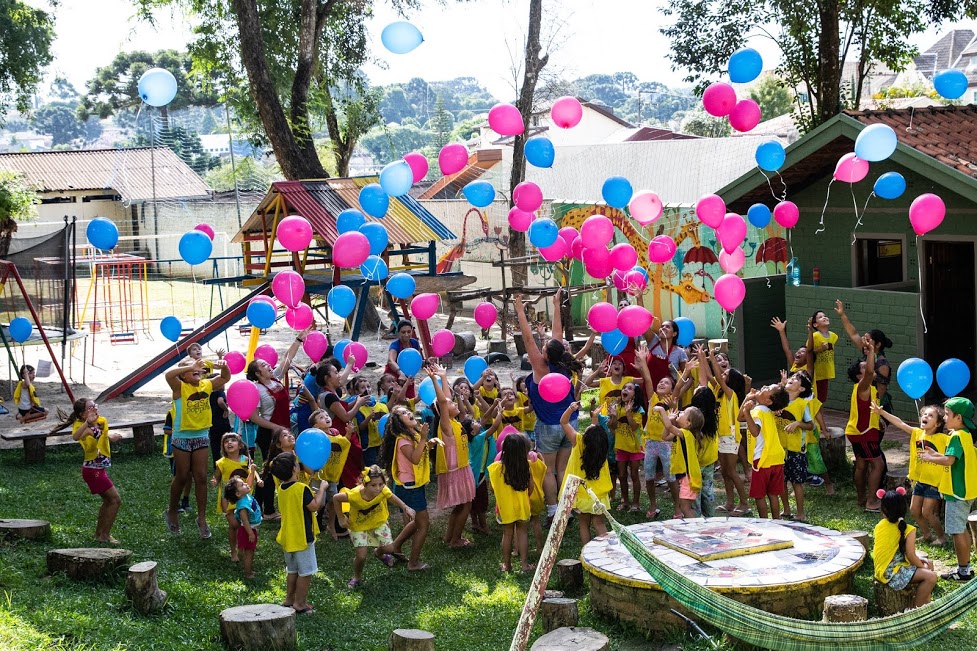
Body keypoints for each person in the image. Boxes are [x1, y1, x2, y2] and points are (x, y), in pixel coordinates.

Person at [514, 293, 583, 526]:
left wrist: (521, 311)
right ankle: (568, 510)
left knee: (550, 470)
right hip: (570, 422)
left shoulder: (540, 366)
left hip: (549, 427)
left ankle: (554, 511)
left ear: (545, 353)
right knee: (563, 469)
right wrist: (555, 305)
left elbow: (527, 339)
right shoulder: (563, 361)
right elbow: (557, 336)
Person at [247, 327, 312, 521]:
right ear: (257, 374)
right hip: (269, 434)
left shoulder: (274, 378)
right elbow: (254, 417)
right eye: (264, 366)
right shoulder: (256, 389)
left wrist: (298, 340)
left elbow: (287, 359)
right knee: (269, 471)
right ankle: (265, 510)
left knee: (277, 468)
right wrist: (276, 428)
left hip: (283, 431)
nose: (269, 366)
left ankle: (263, 507)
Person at [164, 357, 231, 537]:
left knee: (201, 477)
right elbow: (168, 375)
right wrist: (189, 366)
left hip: (201, 435)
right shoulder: (179, 388)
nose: (198, 371)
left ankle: (201, 518)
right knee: (183, 475)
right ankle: (172, 511)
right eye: (192, 370)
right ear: (183, 375)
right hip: (182, 437)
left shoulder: (206, 386)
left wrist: (223, 366)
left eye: (199, 370)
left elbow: (225, 378)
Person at [919, 397, 977, 582]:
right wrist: (936, 454)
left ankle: (962, 571)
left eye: (948, 414)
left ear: (958, 417)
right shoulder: (965, 434)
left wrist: (930, 459)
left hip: (957, 493)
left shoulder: (955, 436)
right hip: (967, 491)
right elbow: (954, 457)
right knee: (962, 529)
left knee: (957, 531)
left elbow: (949, 460)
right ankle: (965, 567)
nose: (944, 417)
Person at [873, 403, 947, 545]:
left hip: (934, 482)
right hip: (919, 480)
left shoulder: (944, 439)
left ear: (938, 423)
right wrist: (881, 412)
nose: (925, 416)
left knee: (928, 513)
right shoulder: (917, 433)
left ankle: (941, 537)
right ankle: (926, 535)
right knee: (914, 510)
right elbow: (899, 423)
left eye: (930, 415)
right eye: (924, 414)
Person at [334, 465, 415, 589]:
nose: (378, 488)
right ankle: (357, 577)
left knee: (390, 549)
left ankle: (379, 553)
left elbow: (392, 497)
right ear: (364, 484)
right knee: (361, 556)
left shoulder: (383, 490)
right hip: (358, 525)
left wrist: (405, 508)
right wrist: (340, 517)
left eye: (381, 484)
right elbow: (336, 498)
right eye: (373, 485)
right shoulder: (354, 495)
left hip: (378, 522)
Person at [381, 405, 441, 571]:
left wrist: (428, 443)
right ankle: (413, 563)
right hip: (409, 487)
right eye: (403, 414)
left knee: (417, 522)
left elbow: (419, 452)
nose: (408, 413)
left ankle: (394, 547)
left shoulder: (411, 435)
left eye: (408, 411)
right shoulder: (403, 440)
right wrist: (423, 439)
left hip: (413, 485)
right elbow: (414, 459)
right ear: (399, 423)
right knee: (423, 524)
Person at [270, 452, 327, 614]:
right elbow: (315, 506)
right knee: (306, 572)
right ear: (295, 469)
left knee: (292, 570)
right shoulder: (302, 488)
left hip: (288, 536)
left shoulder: (281, 488)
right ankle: (300, 604)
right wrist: (322, 489)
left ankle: (289, 599)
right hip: (302, 536)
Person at [428, 364, 476, 549]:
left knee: (461, 505)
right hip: (455, 469)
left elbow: (445, 400)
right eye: (450, 404)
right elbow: (443, 402)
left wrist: (443, 376)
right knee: (465, 505)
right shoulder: (445, 425)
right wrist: (435, 380)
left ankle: (450, 538)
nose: (453, 402)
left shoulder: (454, 422)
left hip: (460, 467)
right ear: (443, 412)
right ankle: (456, 540)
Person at [634, 346, 681, 520]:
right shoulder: (653, 398)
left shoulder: (672, 401)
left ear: (672, 389)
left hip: (666, 444)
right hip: (651, 443)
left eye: (666, 382)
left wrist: (685, 374)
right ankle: (653, 505)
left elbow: (679, 386)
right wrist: (643, 359)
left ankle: (677, 507)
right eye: (660, 382)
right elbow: (647, 379)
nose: (661, 383)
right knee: (649, 476)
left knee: (670, 477)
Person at [68, 398, 122, 544]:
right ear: (82, 414)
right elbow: (75, 437)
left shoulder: (101, 421)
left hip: (99, 468)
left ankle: (100, 534)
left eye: (94, 406)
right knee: (115, 500)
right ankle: (104, 536)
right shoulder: (81, 426)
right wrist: (87, 422)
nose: (95, 409)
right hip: (92, 470)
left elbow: (100, 435)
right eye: (90, 408)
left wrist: (110, 437)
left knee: (108, 500)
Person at [873, 487, 938, 607]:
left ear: (883, 509)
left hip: (883, 569)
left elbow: (899, 552)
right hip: (891, 573)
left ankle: (926, 602)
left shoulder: (880, 525)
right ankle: (915, 611)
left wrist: (921, 564)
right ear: (904, 509)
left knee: (928, 563)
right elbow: (911, 555)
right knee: (931, 576)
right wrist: (923, 568)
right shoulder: (909, 529)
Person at [705, 348, 750, 515]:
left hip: (730, 436)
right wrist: (704, 358)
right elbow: (712, 378)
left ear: (732, 382)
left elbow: (716, 377)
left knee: (731, 471)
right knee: (724, 472)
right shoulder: (721, 394)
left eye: (726, 376)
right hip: (721, 436)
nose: (722, 376)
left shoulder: (731, 394)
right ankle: (730, 502)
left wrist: (711, 358)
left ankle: (744, 503)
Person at [560, 402, 611, 545]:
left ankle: (586, 553)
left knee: (584, 524)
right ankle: (608, 551)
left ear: (586, 437)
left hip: (583, 494)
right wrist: (595, 417)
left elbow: (563, 422)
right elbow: (595, 432)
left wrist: (570, 408)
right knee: (599, 523)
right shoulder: (601, 448)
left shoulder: (578, 441)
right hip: (599, 494)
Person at [834, 300, 893, 414]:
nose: (863, 342)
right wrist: (842, 314)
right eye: (864, 339)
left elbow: (881, 388)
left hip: (878, 406)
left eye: (867, 340)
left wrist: (873, 409)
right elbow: (853, 333)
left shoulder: (882, 364)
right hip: (866, 400)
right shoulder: (867, 350)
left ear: (878, 344)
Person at [845, 338, 883, 513]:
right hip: (864, 434)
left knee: (862, 465)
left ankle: (861, 498)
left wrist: (879, 420)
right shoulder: (863, 386)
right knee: (878, 464)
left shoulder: (868, 389)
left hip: (858, 431)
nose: (868, 369)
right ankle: (872, 501)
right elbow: (869, 372)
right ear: (860, 376)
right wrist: (871, 353)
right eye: (863, 368)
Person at [741, 383, 790, 519]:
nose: (764, 386)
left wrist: (746, 412)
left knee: (759, 495)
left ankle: (764, 523)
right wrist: (747, 398)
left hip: (762, 459)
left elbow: (755, 431)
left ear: (768, 400)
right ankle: (777, 521)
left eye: (768, 389)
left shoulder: (757, 411)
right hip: (777, 458)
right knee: (773, 494)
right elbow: (740, 418)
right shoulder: (768, 410)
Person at [488, 434, 535, 572]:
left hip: (504, 507)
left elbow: (492, 489)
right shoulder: (526, 466)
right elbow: (530, 487)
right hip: (522, 506)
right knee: (523, 533)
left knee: (507, 535)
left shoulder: (495, 468)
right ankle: (524, 565)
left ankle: (507, 566)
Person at [777, 370, 817, 522]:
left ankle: (800, 513)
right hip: (780, 448)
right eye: (792, 378)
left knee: (797, 482)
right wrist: (782, 384)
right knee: (781, 480)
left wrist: (798, 423)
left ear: (801, 389)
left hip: (796, 450)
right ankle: (786, 509)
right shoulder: (780, 402)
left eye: (796, 379)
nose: (792, 379)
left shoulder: (802, 404)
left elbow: (811, 425)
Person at [209, 433, 254, 561]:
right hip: (228, 499)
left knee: (243, 524)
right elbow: (217, 477)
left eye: (233, 440)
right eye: (226, 441)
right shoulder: (222, 462)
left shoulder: (246, 460)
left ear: (240, 445)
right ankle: (233, 551)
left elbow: (252, 473)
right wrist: (214, 481)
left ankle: (243, 547)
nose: (229, 443)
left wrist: (257, 477)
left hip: (244, 498)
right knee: (233, 525)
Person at [656, 404, 705, 519]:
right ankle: (693, 527)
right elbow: (665, 436)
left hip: (689, 478)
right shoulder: (682, 433)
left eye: (683, 413)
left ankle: (694, 530)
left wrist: (662, 410)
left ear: (688, 423)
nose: (680, 412)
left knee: (685, 508)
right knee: (685, 507)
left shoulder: (685, 434)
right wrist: (671, 420)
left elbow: (668, 427)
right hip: (685, 477)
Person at [310, 409, 351, 539]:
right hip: (318, 476)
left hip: (332, 476)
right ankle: (311, 523)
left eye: (327, 415)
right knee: (320, 503)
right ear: (316, 426)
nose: (326, 417)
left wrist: (349, 433)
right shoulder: (315, 437)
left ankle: (331, 525)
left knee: (333, 501)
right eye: (321, 417)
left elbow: (344, 445)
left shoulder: (335, 434)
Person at [607, 381, 645, 513]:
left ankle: (636, 504)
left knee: (634, 475)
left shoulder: (638, 410)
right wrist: (613, 417)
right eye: (624, 388)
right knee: (622, 476)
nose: (625, 390)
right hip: (621, 447)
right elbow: (612, 427)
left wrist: (628, 414)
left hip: (635, 448)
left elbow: (634, 427)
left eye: (630, 388)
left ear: (635, 395)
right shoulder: (617, 407)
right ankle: (625, 502)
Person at [224, 470, 263, 579]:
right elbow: (245, 521)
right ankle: (248, 573)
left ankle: (241, 552)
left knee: (247, 550)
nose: (246, 484)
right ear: (238, 493)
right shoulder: (243, 506)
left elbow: (250, 483)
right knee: (249, 553)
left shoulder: (245, 496)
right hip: (247, 530)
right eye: (242, 484)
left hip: (249, 529)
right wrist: (250, 533)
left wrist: (252, 469)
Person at [805, 309, 838, 403]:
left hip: (825, 373)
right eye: (820, 317)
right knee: (814, 399)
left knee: (821, 400)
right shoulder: (815, 336)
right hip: (816, 373)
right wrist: (821, 349)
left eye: (825, 315)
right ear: (815, 324)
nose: (824, 317)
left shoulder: (833, 336)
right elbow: (808, 354)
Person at [386, 321, 422, 399]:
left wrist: (426, 362)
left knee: (409, 401)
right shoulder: (395, 345)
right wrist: (400, 373)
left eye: (409, 332)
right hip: (394, 375)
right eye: (403, 332)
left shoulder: (415, 343)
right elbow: (391, 361)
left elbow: (416, 361)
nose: (406, 335)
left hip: (409, 376)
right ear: (398, 333)